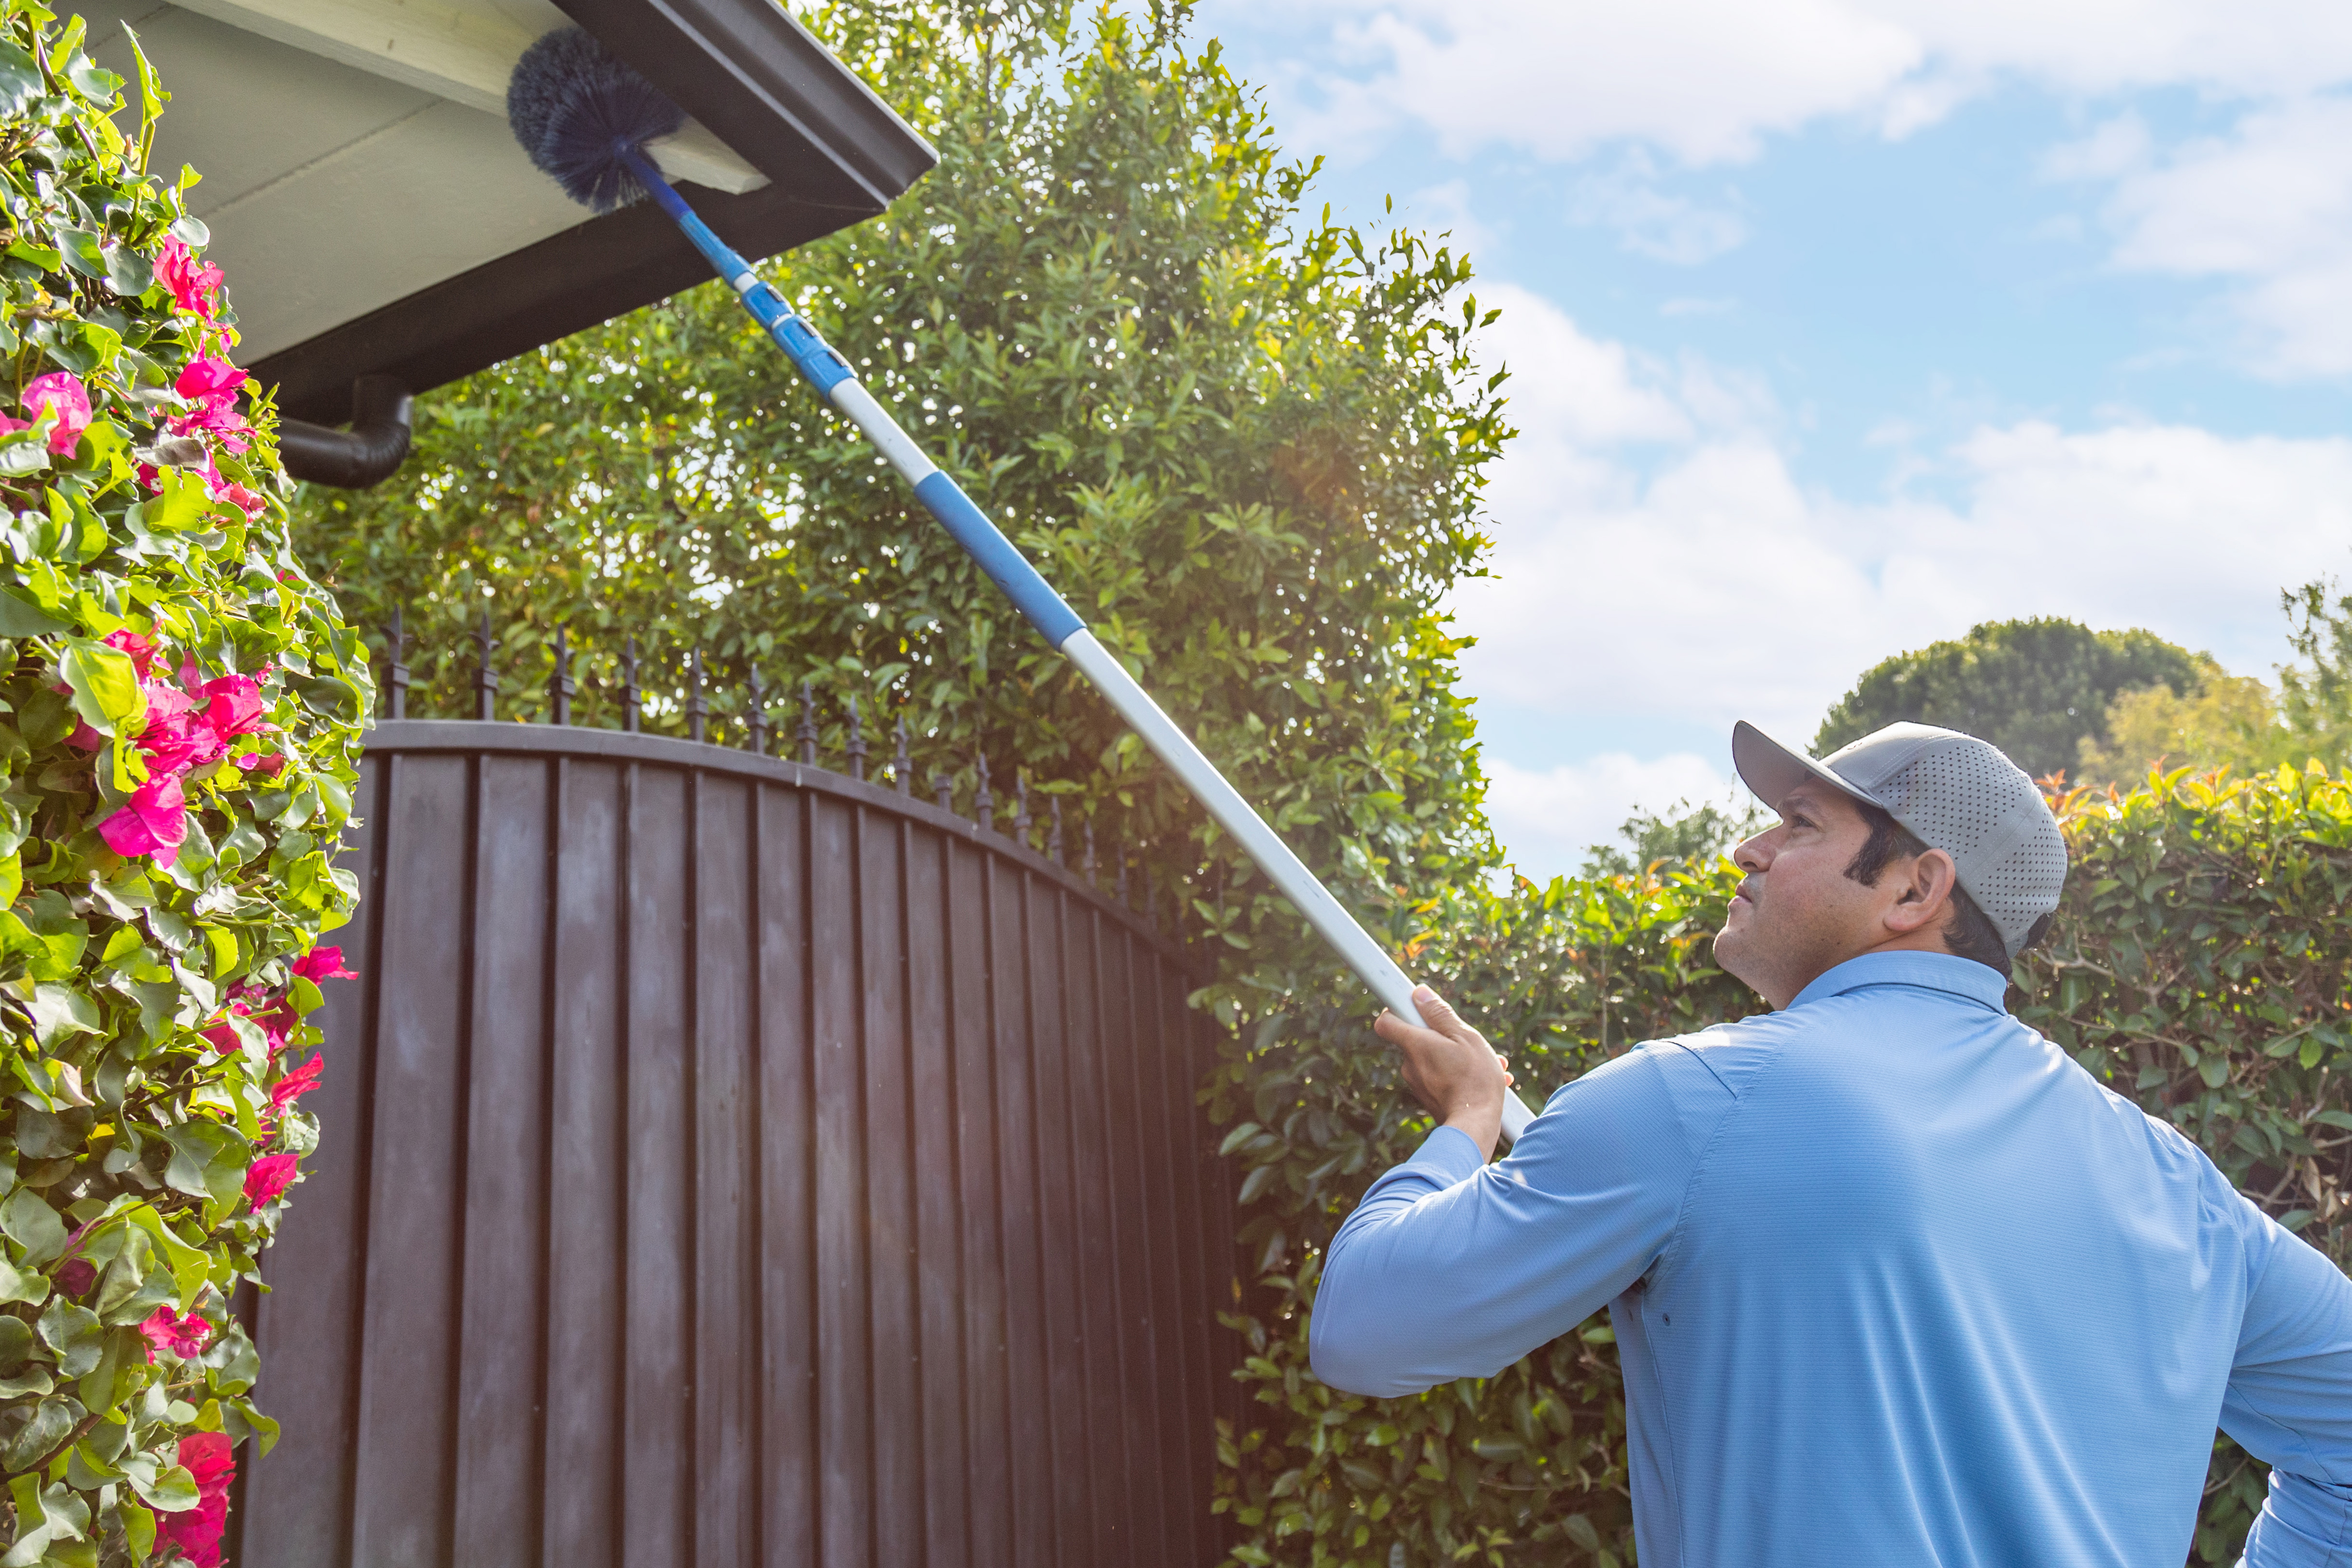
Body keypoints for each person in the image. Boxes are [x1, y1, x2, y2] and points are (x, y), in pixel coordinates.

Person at [1310, 720, 2352, 1566]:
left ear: (1914, 889)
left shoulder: (1694, 1099)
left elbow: (1364, 1328)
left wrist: (1465, 1123)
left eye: (1800, 824)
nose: (1747, 848)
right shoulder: (2179, 1187)